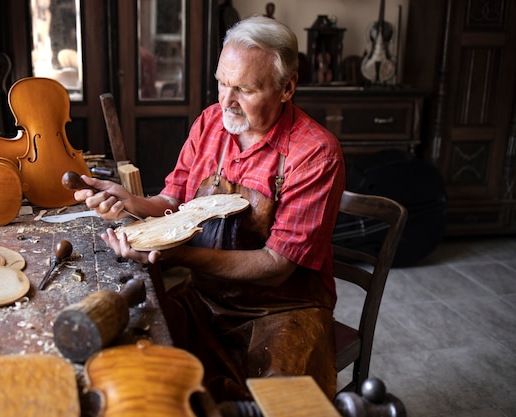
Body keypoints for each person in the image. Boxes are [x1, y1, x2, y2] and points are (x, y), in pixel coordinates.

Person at [74, 15, 346, 402]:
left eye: (244, 89)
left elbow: (275, 266)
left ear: (287, 87)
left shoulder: (315, 153)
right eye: (222, 82)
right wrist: (130, 202)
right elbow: (172, 203)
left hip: (281, 310)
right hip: (205, 298)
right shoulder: (209, 126)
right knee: (143, 374)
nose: (226, 101)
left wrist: (177, 256)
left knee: (278, 405)